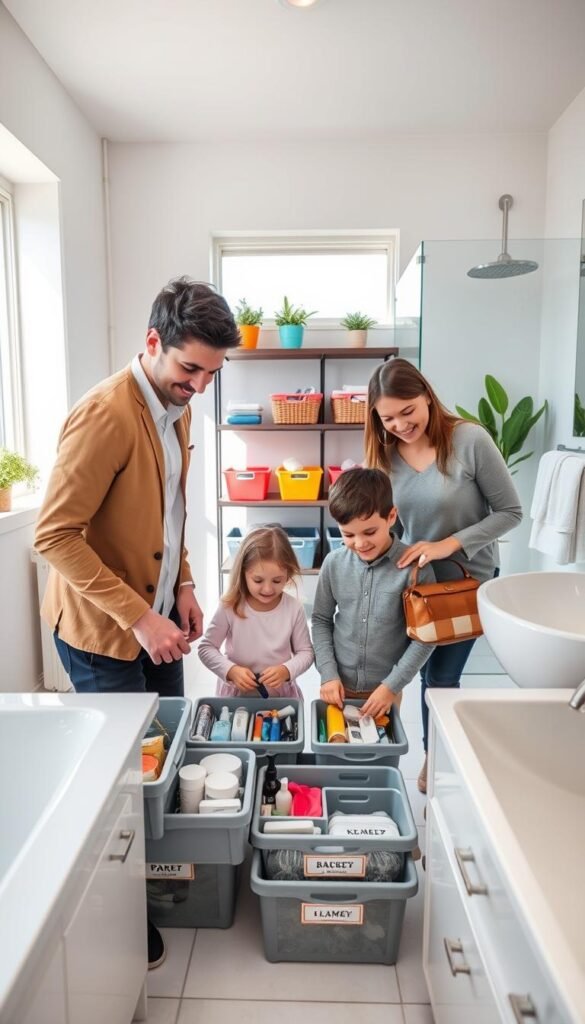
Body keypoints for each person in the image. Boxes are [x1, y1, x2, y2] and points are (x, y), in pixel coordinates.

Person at [34, 276, 240, 967]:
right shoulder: (105, 415)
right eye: (190, 369)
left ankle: (161, 874)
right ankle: (116, 909)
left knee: (164, 754)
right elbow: (54, 536)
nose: (200, 388)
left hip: (157, 619)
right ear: (152, 343)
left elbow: (170, 511)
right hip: (104, 634)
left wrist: (181, 584)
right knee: (123, 777)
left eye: (212, 374)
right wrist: (138, 618)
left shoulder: (173, 405)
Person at [364, 358, 523, 792]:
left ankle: (434, 756)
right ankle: (401, 749)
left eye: (408, 410)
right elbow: (389, 526)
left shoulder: (469, 440)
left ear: (427, 397)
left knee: (442, 676)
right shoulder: (384, 457)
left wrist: (448, 544)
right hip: (415, 584)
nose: (400, 424)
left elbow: (511, 512)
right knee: (400, 670)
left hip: (464, 582)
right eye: (388, 417)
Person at [312, 467, 436, 721]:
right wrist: (328, 673)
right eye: (348, 534)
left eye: (369, 532)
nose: (360, 543)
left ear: (391, 517)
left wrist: (392, 686)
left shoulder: (415, 569)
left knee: (381, 755)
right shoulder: (333, 563)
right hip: (337, 686)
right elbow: (321, 620)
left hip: (385, 690)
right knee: (337, 751)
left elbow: (425, 638)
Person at [198, 525, 314, 698]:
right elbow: (206, 648)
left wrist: (286, 670)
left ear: (288, 575)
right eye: (258, 580)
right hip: (235, 696)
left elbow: (306, 652)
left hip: (280, 696)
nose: (267, 589)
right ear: (243, 573)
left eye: (277, 580)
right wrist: (231, 671)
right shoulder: (230, 605)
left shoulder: (293, 608)